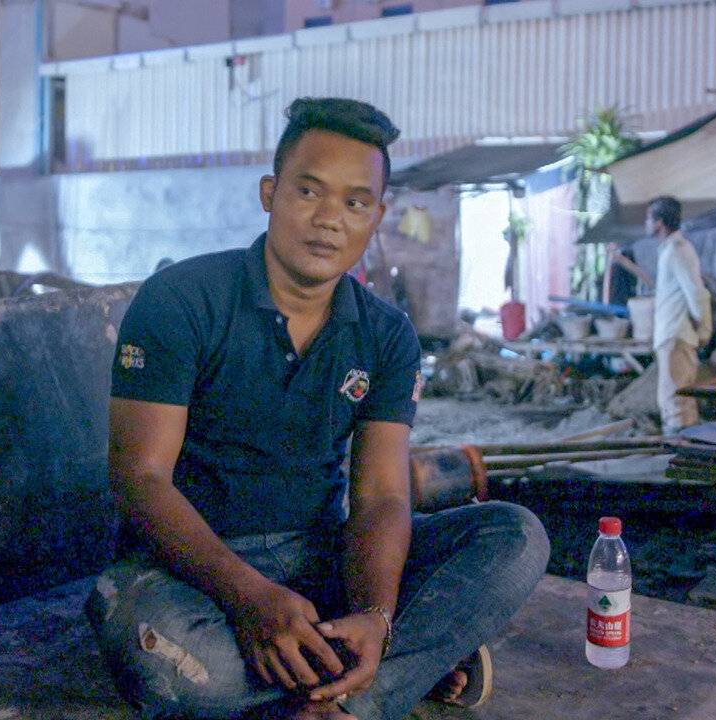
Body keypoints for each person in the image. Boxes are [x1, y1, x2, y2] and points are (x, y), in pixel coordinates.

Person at [86, 97, 549, 720]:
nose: (330, 219)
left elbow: (382, 496)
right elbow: (139, 479)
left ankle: (349, 689)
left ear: (377, 216)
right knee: (189, 672)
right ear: (270, 193)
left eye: (356, 203)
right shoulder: (183, 299)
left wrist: (375, 616)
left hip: (318, 556)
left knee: (514, 535)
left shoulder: (386, 335)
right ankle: (403, 661)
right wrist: (249, 598)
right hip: (184, 569)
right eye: (309, 192)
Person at [646, 196, 711, 435]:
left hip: (676, 334)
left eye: (648, 218)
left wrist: (704, 329)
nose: (645, 223)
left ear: (659, 223)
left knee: (676, 401)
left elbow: (697, 293)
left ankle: (679, 448)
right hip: (672, 334)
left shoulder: (678, 250)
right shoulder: (670, 251)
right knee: (675, 399)